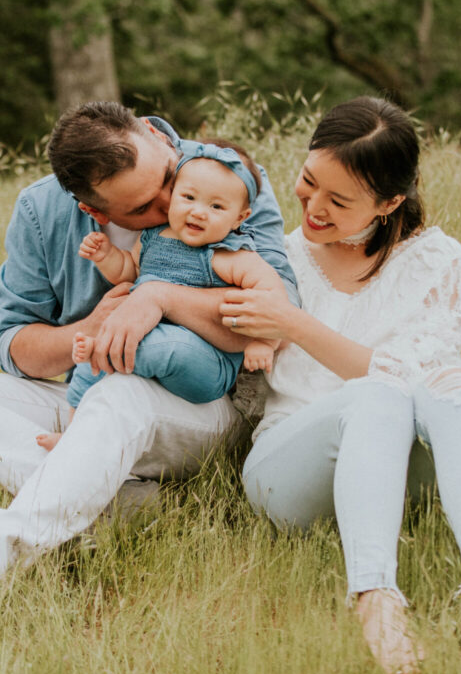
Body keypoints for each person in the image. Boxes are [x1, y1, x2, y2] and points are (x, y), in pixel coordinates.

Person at [0, 102, 298, 641]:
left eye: (168, 178)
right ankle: (111, 497)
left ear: (155, 138)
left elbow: (283, 318)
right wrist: (94, 324)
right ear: (94, 212)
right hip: (87, 397)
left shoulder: (225, 178)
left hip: (205, 403)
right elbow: (14, 346)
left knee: (122, 392)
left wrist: (158, 298)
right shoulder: (39, 211)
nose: (174, 204)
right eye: (144, 206)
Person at [219, 96, 461, 674]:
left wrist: (294, 324)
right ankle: (375, 600)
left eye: (339, 201)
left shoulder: (439, 263)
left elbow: (414, 379)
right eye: (309, 182)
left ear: (390, 203)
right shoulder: (272, 259)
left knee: (448, 378)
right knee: (376, 392)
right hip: (290, 471)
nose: (313, 207)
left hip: (405, 469)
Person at [36, 142, 285, 451]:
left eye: (216, 207)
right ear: (172, 195)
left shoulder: (231, 255)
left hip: (205, 361)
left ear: (239, 218)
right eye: (188, 198)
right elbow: (130, 272)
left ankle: (105, 361)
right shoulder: (154, 237)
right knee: (100, 352)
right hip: (152, 339)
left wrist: (264, 343)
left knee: (141, 347)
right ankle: (74, 430)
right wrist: (107, 257)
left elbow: (274, 300)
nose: (198, 211)